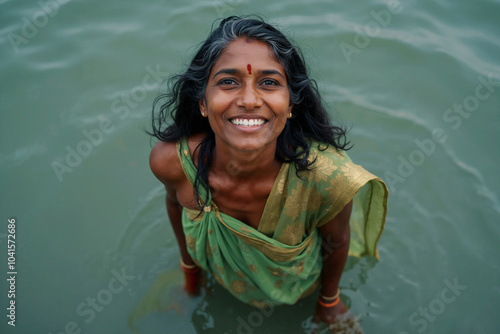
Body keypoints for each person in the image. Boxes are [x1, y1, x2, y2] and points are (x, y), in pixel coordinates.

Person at [149, 15, 388, 328]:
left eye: (269, 83)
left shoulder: (327, 179)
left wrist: (329, 302)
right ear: (203, 103)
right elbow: (174, 205)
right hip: (221, 285)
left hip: (300, 296)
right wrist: (189, 276)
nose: (249, 100)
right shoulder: (174, 163)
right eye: (228, 82)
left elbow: (338, 241)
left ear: (290, 105)